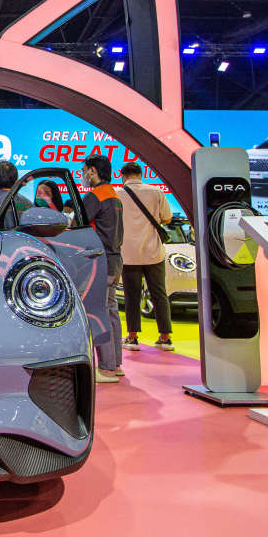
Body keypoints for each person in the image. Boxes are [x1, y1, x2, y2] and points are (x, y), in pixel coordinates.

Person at [118, 162, 174, 352]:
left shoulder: (118, 194)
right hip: (153, 252)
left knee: (131, 296)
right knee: (159, 294)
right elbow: (167, 218)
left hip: (128, 253)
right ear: (140, 174)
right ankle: (165, 338)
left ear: (123, 176)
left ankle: (132, 337)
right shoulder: (156, 192)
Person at [81, 155, 124, 383]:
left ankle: (106, 367)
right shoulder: (114, 195)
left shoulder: (95, 196)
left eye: (84, 171)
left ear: (93, 171)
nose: (83, 175)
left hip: (101, 260)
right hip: (115, 259)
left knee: (100, 313)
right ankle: (115, 364)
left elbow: (78, 225)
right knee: (111, 310)